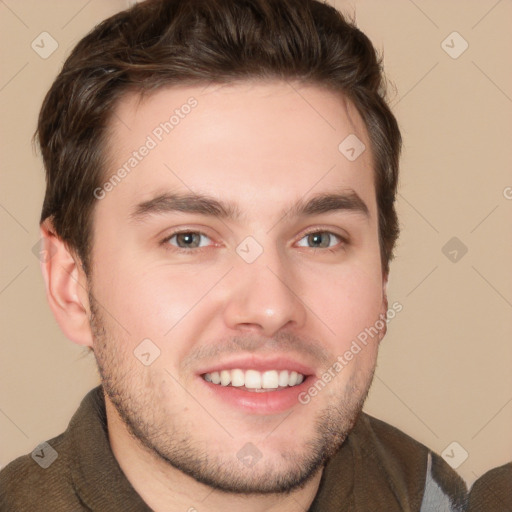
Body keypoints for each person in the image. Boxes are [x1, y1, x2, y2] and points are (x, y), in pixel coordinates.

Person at [0, 0, 469, 510]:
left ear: (382, 277)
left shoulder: (439, 497)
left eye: (319, 238)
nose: (269, 308)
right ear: (72, 286)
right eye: (188, 239)